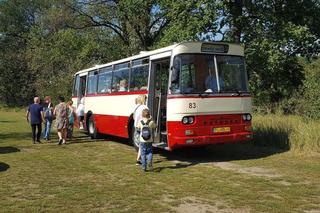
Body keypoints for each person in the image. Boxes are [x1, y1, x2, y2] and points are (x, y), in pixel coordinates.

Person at [133, 95, 148, 165]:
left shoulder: (136, 107)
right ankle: (139, 160)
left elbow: (133, 116)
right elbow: (148, 117)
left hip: (136, 126)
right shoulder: (145, 107)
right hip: (143, 127)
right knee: (143, 144)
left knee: (141, 144)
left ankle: (139, 159)